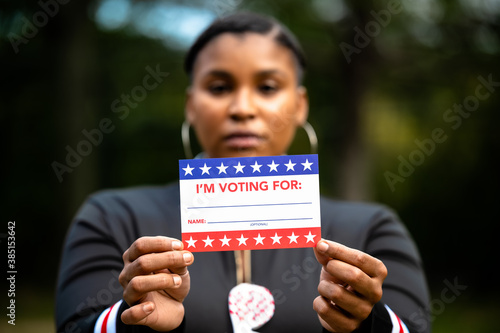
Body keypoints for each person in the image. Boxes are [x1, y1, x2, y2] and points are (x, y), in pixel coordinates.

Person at [55, 11, 430, 333]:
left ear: (300, 105)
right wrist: (130, 318)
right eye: (219, 87)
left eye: (267, 87)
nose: (242, 108)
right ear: (191, 105)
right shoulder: (113, 217)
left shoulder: (371, 228)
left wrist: (370, 321)